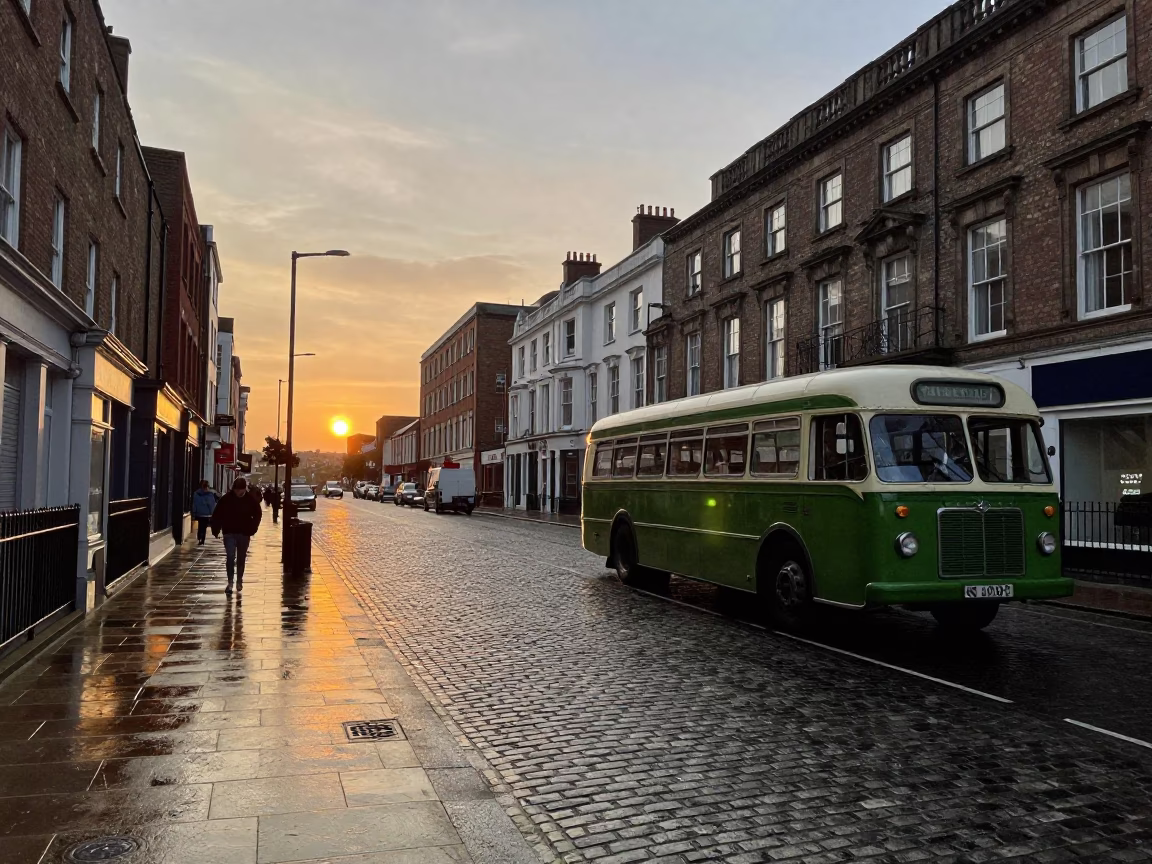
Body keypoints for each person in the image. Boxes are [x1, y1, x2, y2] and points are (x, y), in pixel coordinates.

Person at [210, 476, 263, 596]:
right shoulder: (226, 499)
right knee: (230, 556)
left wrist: (252, 528)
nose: (238, 492)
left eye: (240, 490)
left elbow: (258, 514)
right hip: (229, 532)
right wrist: (215, 529)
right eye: (236, 490)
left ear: (244, 489)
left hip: (244, 533)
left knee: (241, 557)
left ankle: (239, 580)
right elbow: (217, 514)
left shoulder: (250, 500)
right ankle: (230, 582)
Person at [191, 480, 219, 546]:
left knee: (200, 526)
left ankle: (199, 537)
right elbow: (212, 505)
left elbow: (194, 504)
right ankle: (202, 539)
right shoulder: (210, 494)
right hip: (207, 514)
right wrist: (213, 513)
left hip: (199, 513)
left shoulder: (196, 494)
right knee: (204, 527)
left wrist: (194, 512)